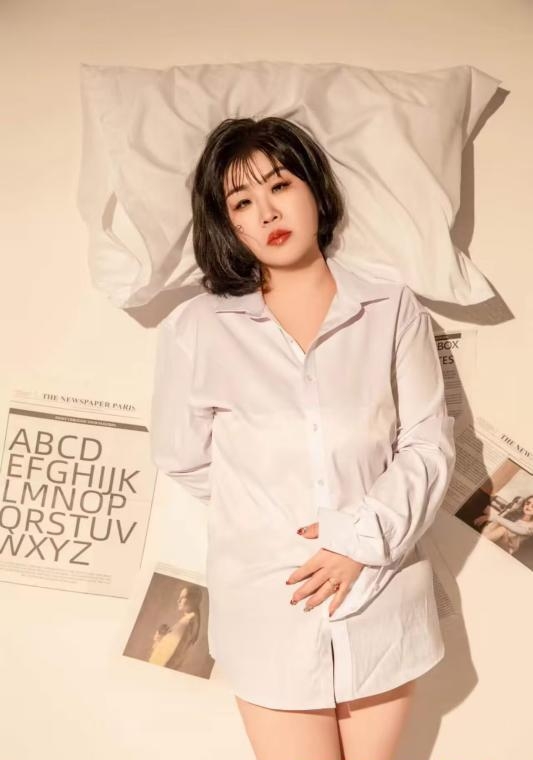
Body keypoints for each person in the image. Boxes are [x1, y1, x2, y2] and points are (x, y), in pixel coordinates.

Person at [150, 117, 456, 760]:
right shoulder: (197, 327)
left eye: (280, 185)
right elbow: (183, 457)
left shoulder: (391, 307)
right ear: (226, 222)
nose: (267, 212)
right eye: (241, 202)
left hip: (379, 590)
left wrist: (358, 540)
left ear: (314, 188)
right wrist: (269, 516)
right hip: (270, 600)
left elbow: (428, 443)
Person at [148, 585, 201, 668]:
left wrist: (159, 640)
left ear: (194, 600)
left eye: (182, 597)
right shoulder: (189, 620)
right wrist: (160, 638)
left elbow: (170, 657)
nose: (178, 600)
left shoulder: (188, 622)